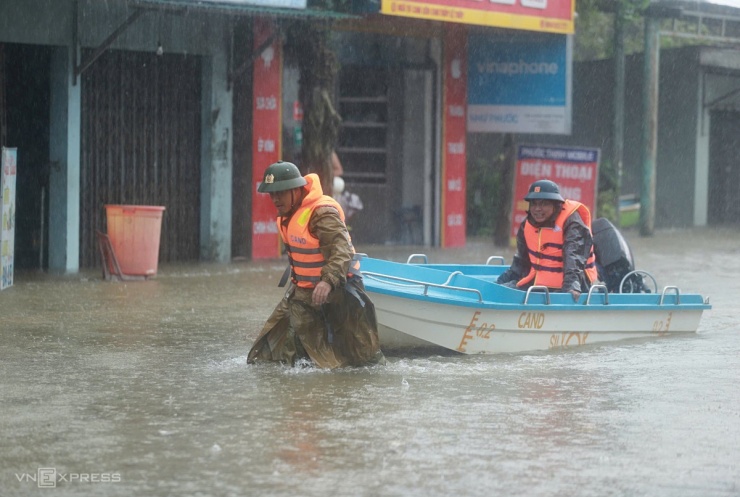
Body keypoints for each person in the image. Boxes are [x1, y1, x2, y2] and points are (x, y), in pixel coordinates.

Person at [247, 160, 385, 369]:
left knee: (364, 360)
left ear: (296, 190)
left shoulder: (322, 213)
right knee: (275, 353)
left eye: (280, 193)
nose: (275, 199)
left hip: (342, 291)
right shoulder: (287, 215)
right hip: (304, 292)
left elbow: (342, 251)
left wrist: (327, 282)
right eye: (271, 194)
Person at [496, 179, 599, 302]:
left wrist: (572, 286)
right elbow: (520, 263)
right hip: (538, 283)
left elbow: (574, 258)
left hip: (574, 285)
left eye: (544, 204)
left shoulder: (572, 222)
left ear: (556, 205)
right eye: (534, 204)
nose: (537, 209)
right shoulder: (527, 225)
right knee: (500, 290)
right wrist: (497, 285)